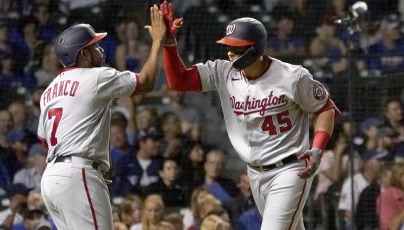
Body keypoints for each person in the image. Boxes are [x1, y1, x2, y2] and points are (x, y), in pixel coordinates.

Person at [160, 1, 340, 228]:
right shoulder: (223, 72)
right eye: (228, 46)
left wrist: (317, 149)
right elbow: (178, 80)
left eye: (236, 48)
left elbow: (325, 108)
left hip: (291, 169)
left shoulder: (291, 76)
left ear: (254, 49)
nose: (229, 52)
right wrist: (168, 43)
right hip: (255, 173)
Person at [38, 4, 166, 230]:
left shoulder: (49, 91)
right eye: (94, 46)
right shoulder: (95, 76)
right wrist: (157, 41)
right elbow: (145, 82)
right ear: (84, 54)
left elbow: (44, 139)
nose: (101, 49)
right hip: (78, 174)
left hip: (51, 179)